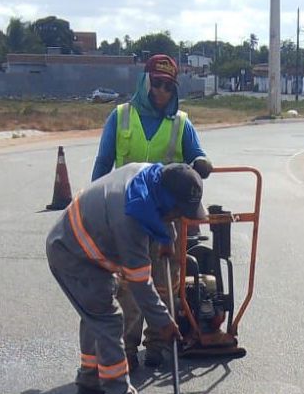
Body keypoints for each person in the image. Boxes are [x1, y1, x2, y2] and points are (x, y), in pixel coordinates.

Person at [46, 162, 207, 394]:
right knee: (108, 321)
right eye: (178, 212)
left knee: (94, 317)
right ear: (167, 202)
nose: (179, 217)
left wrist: (167, 238)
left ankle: (89, 385)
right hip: (72, 254)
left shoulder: (151, 176)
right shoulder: (130, 219)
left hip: (83, 245)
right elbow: (140, 284)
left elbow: (164, 214)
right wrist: (164, 323)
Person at [91, 54, 213, 371]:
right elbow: (103, 165)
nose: (161, 92)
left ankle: (158, 344)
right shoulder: (120, 117)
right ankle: (127, 349)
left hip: (164, 219)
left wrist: (200, 162)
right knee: (129, 287)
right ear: (145, 83)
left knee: (165, 283)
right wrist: (97, 209)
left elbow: (196, 153)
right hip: (127, 217)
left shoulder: (180, 123)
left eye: (168, 87)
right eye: (156, 84)